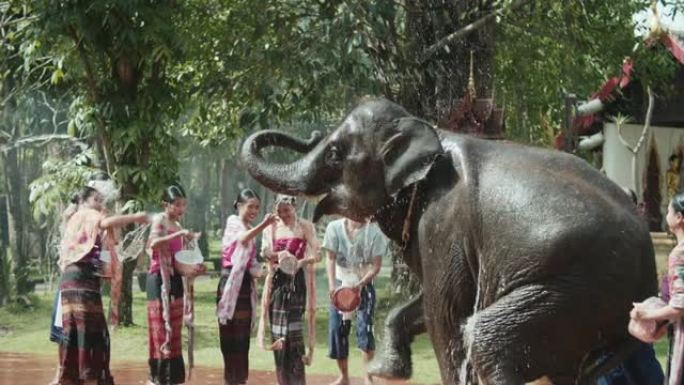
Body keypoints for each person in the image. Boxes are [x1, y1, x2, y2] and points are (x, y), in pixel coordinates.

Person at [57, 185, 150, 385]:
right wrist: (136, 217)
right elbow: (107, 222)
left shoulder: (74, 219)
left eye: (101, 201)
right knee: (91, 333)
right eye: (96, 200)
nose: (100, 205)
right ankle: (90, 379)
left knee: (73, 332)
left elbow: (107, 247)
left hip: (69, 280)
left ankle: (70, 378)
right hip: (82, 280)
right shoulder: (87, 213)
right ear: (83, 201)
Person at [146, 184, 205, 385]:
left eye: (184, 205)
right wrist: (177, 236)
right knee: (161, 330)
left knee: (176, 331)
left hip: (174, 280)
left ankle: (173, 379)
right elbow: (153, 244)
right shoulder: (160, 220)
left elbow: (178, 264)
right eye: (177, 205)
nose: (181, 209)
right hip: (158, 281)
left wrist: (194, 271)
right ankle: (158, 378)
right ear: (166, 204)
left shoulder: (179, 226)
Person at [260, 195, 320, 385]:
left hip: (297, 282)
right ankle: (282, 381)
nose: (283, 215)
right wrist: (280, 255)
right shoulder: (272, 227)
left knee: (294, 332)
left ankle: (297, 381)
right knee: (278, 333)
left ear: (294, 207)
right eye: (280, 211)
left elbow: (317, 254)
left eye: (287, 210)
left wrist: (301, 261)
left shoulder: (305, 226)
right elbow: (265, 252)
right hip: (277, 282)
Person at [217, 188, 274, 385]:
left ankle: (240, 380)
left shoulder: (250, 230)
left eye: (257, 207)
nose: (254, 210)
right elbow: (242, 238)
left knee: (242, 339)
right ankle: (229, 379)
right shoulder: (234, 222)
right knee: (228, 337)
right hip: (229, 285)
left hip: (244, 287)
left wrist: (268, 270)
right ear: (239, 205)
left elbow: (252, 268)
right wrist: (265, 224)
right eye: (250, 206)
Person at [323, 217, 388, 385]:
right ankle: (344, 377)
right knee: (338, 331)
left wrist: (359, 285)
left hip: (364, 284)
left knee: (365, 330)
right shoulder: (334, 227)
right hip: (339, 284)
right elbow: (330, 258)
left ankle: (368, 378)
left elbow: (376, 266)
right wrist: (332, 286)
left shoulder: (374, 231)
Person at [630, 191, 684, 385]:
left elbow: (679, 306)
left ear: (679, 218)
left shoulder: (679, 255)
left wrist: (643, 315)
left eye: (669, 210)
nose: (666, 213)